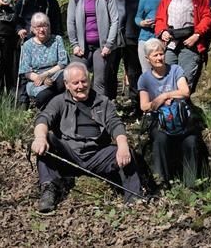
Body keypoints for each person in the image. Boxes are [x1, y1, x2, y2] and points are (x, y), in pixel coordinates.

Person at [31, 62, 143, 213]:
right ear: (67, 84)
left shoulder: (103, 102)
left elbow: (115, 124)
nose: (80, 86)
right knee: (47, 141)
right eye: (75, 83)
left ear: (89, 80)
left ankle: (134, 199)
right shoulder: (59, 101)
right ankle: (49, 189)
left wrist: (122, 146)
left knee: (126, 150)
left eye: (83, 81)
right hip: (69, 154)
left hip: (97, 154)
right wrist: (40, 138)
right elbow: (43, 119)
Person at [138, 39, 207, 187]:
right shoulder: (144, 79)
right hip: (160, 121)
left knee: (191, 141)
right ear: (147, 59)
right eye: (155, 55)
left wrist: (165, 95)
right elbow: (144, 106)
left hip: (181, 118)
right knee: (159, 140)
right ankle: (162, 181)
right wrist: (159, 102)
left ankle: (191, 183)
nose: (159, 58)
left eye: (161, 54)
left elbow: (185, 92)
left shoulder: (176, 70)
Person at [155, 0, 211, 93]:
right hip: (171, 43)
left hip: (190, 42)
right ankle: (169, 113)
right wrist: (162, 31)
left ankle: (182, 111)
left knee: (185, 81)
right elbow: (159, 18)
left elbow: (207, 17)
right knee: (167, 80)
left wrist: (197, 35)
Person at [67, 0, 120, 98]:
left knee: (99, 81)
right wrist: (74, 45)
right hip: (82, 48)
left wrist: (108, 45)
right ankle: (76, 110)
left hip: (101, 48)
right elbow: (70, 22)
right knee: (75, 77)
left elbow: (115, 21)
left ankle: (99, 112)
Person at [18, 12, 69, 109]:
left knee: (65, 77)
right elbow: (26, 71)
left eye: (44, 26)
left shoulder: (57, 40)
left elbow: (63, 63)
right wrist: (42, 79)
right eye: (38, 27)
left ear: (49, 27)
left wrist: (46, 74)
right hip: (36, 80)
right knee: (43, 96)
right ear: (32, 29)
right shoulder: (27, 45)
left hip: (56, 75)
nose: (41, 30)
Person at [123, 0, 146, 116]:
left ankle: (149, 104)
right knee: (132, 72)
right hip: (130, 35)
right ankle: (135, 104)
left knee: (149, 70)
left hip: (148, 35)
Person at [135, 0, 166, 74]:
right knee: (146, 72)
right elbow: (137, 17)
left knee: (161, 70)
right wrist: (142, 23)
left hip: (160, 36)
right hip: (144, 37)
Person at [104, 0, 127, 100]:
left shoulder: (122, 0)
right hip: (105, 40)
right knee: (104, 72)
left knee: (113, 72)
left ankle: (112, 100)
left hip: (119, 41)